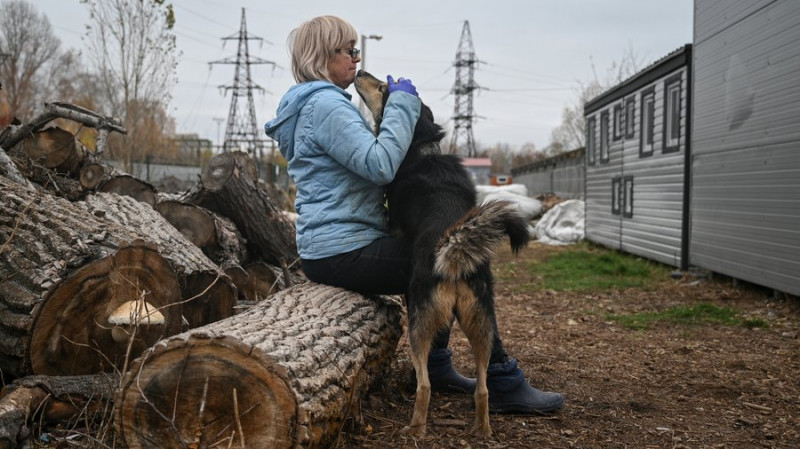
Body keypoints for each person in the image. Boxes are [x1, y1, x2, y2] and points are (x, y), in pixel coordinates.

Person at [265, 15, 564, 415]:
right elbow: (380, 165)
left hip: (334, 246)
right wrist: (403, 104)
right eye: (349, 51)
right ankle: (503, 379)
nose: (357, 58)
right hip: (342, 250)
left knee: (441, 254)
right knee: (458, 259)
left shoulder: (316, 104)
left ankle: (438, 368)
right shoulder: (324, 106)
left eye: (358, 50)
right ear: (323, 56)